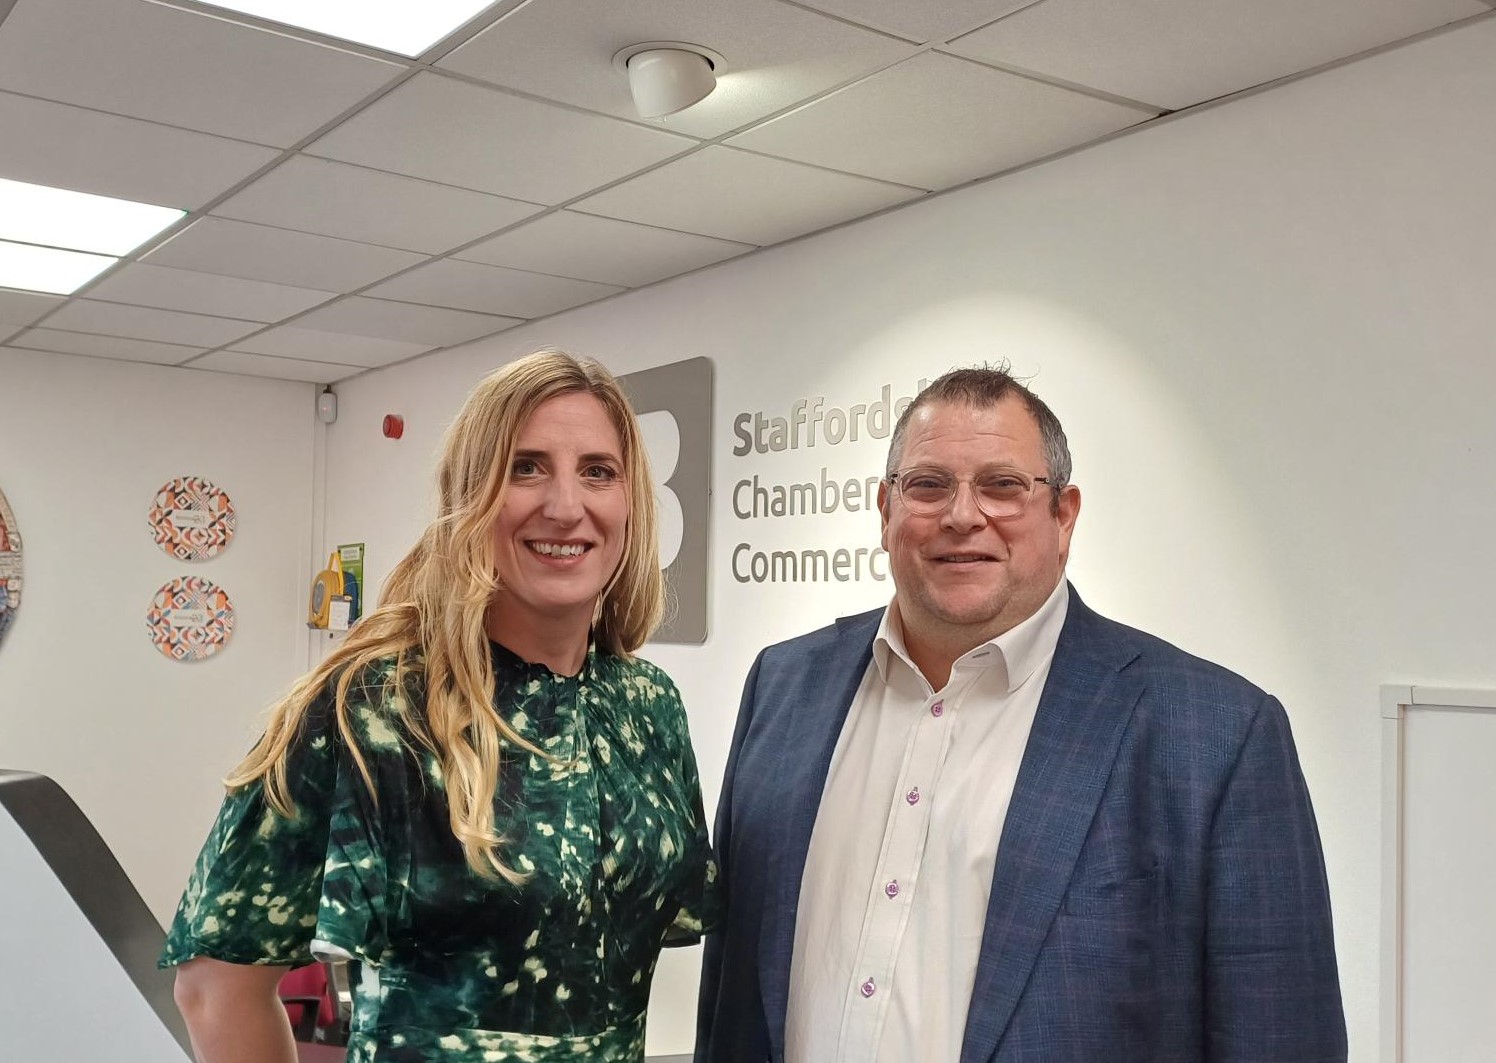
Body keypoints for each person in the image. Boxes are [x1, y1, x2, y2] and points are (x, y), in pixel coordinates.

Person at [697, 366, 1345, 1062]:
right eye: (928, 484)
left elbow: (1280, 1036)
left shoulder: (1216, 739)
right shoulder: (783, 687)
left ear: (1063, 515)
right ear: (886, 509)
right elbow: (729, 998)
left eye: (1003, 485)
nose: (961, 515)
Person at [163, 350, 716, 1063]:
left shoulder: (648, 708)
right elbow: (215, 987)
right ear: (471, 493)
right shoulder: (372, 705)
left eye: (597, 472)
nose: (565, 505)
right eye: (526, 466)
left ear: (630, 502)